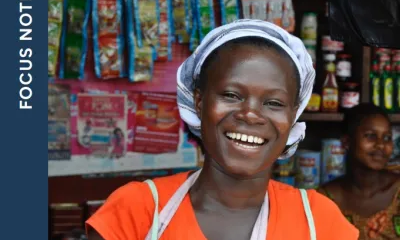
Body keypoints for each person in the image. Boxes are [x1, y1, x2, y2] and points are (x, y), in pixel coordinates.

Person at [86, 20, 359, 239]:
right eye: (231, 95)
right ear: (199, 101)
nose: (250, 115)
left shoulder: (319, 223)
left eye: (273, 103)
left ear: (293, 115)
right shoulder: (138, 211)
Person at [318, 103, 400, 240]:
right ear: (346, 142)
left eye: (387, 138)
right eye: (370, 136)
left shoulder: (397, 192)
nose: (381, 145)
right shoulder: (323, 199)